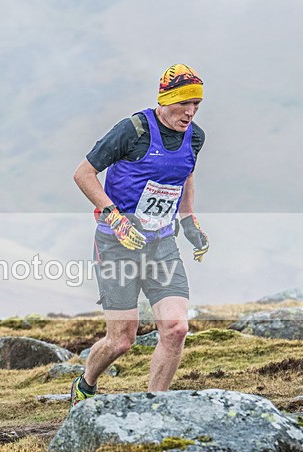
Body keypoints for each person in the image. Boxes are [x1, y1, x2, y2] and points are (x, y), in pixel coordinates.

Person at [71, 64, 210, 404]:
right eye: (184, 103)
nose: (190, 112)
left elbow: (185, 172)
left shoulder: (195, 137)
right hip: (116, 245)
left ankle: (154, 407)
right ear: (165, 100)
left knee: (176, 328)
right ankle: (85, 383)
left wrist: (188, 220)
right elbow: (84, 174)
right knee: (121, 339)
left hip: (161, 243)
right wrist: (115, 217)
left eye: (196, 104)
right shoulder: (133, 131)